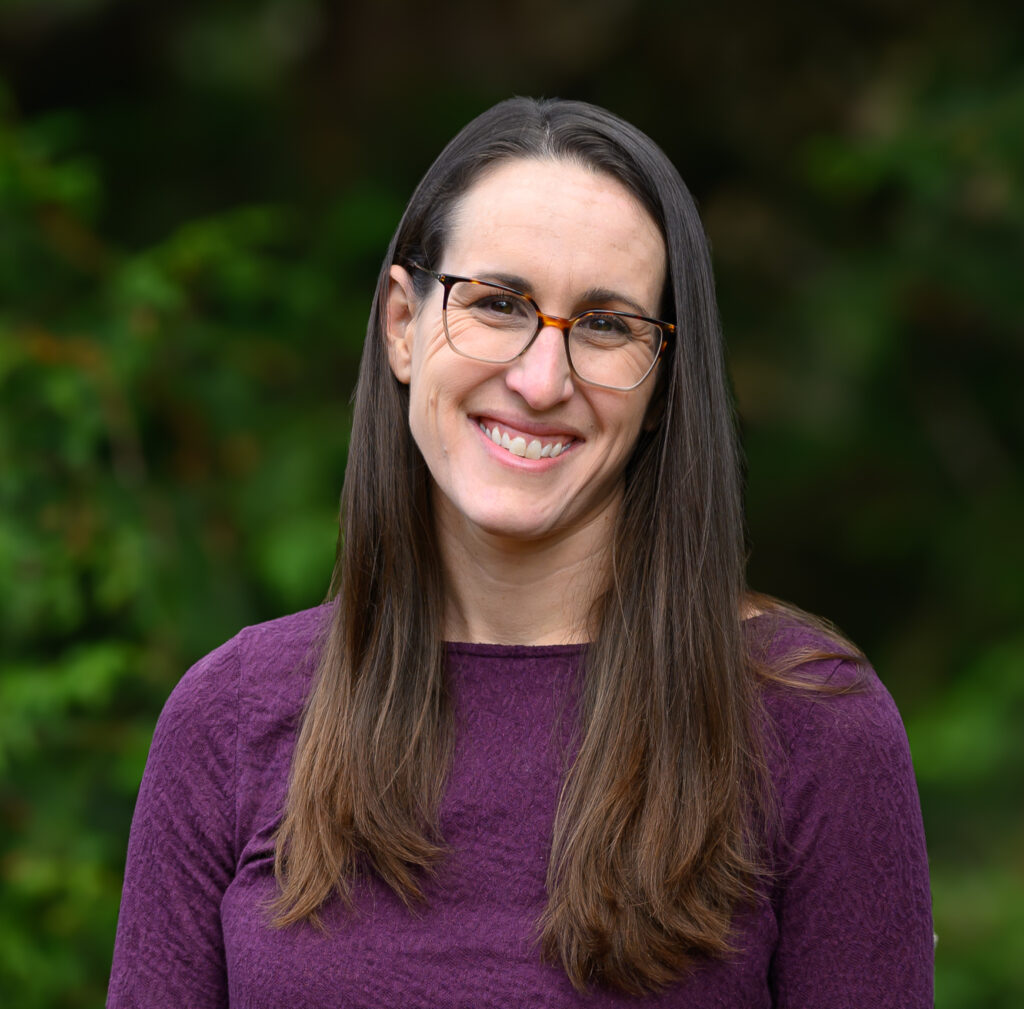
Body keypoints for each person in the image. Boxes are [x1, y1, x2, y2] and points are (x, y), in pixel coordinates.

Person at [107, 97, 934, 1007]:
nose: (543, 380)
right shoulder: (229, 718)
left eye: (608, 325)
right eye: (498, 304)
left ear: (663, 387)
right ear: (400, 326)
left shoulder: (811, 725)